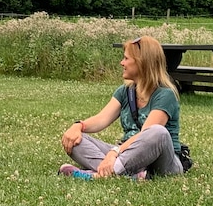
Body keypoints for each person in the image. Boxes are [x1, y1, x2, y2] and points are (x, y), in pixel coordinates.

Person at [59, 35, 184, 180]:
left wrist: (114, 152)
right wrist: (78, 126)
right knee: (76, 140)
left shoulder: (165, 95)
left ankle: (99, 175)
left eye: (126, 58)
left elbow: (146, 134)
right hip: (127, 156)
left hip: (162, 162)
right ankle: (126, 174)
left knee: (158, 132)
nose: (121, 63)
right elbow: (102, 119)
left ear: (141, 62)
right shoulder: (125, 91)